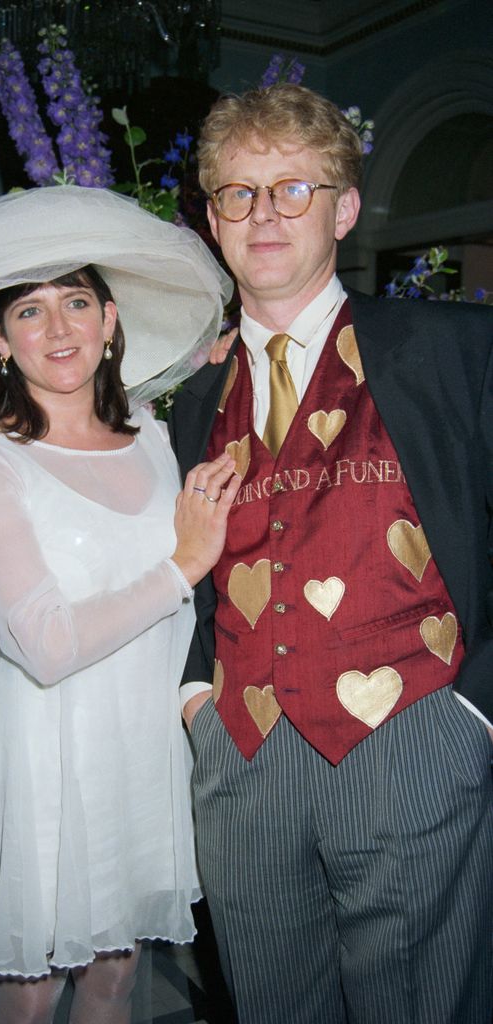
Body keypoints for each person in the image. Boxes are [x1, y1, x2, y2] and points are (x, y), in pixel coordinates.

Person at [169, 82, 493, 1024]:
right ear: (213, 219)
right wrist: (195, 699)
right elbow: (189, 567)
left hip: (415, 742)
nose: (264, 213)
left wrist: (473, 715)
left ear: (344, 209)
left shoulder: (453, 349)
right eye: (238, 192)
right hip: (242, 759)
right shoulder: (194, 401)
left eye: (293, 189)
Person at [0, 185, 239, 1024]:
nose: (59, 330)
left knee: (117, 975)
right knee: (34, 986)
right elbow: (44, 644)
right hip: (46, 756)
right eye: (30, 312)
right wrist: (185, 565)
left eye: (77, 302)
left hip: (144, 747)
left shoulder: (157, 438)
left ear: (110, 319)